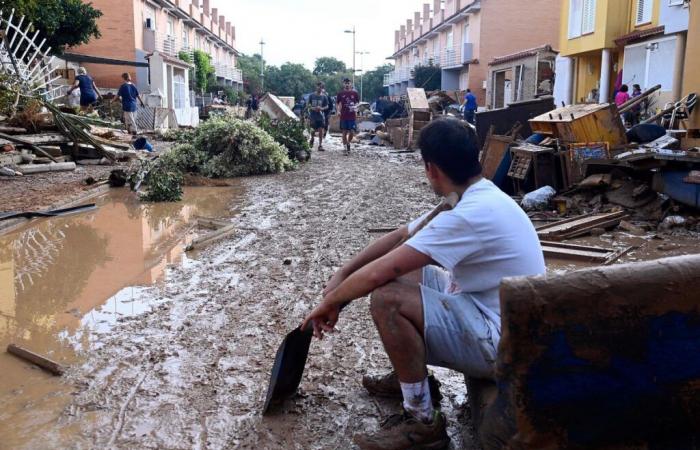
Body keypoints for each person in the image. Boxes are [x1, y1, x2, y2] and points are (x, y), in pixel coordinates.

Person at [302, 118, 546, 450]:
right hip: (496, 316)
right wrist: (342, 275)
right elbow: (401, 236)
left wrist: (332, 303)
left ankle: (422, 422)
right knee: (400, 276)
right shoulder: (473, 196)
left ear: (431, 169)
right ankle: (413, 380)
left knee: (387, 299)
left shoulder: (468, 215)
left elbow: (379, 273)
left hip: (504, 344)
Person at [336, 78, 360, 154]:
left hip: (352, 115)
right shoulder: (340, 93)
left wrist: (357, 109)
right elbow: (337, 103)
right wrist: (338, 111)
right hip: (343, 115)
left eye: (348, 83)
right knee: (344, 132)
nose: (347, 84)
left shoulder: (355, 93)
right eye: (345, 83)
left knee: (352, 132)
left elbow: (358, 104)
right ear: (343, 84)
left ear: (351, 84)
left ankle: (348, 142)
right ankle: (345, 148)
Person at [308, 82, 329, 151]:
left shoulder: (324, 96)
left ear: (323, 88)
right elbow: (308, 105)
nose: (319, 88)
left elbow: (327, 106)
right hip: (313, 116)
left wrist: (322, 108)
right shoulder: (311, 96)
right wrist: (313, 108)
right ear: (316, 87)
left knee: (321, 130)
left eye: (321, 87)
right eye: (318, 86)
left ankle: (320, 145)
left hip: (320, 116)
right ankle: (312, 139)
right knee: (312, 130)